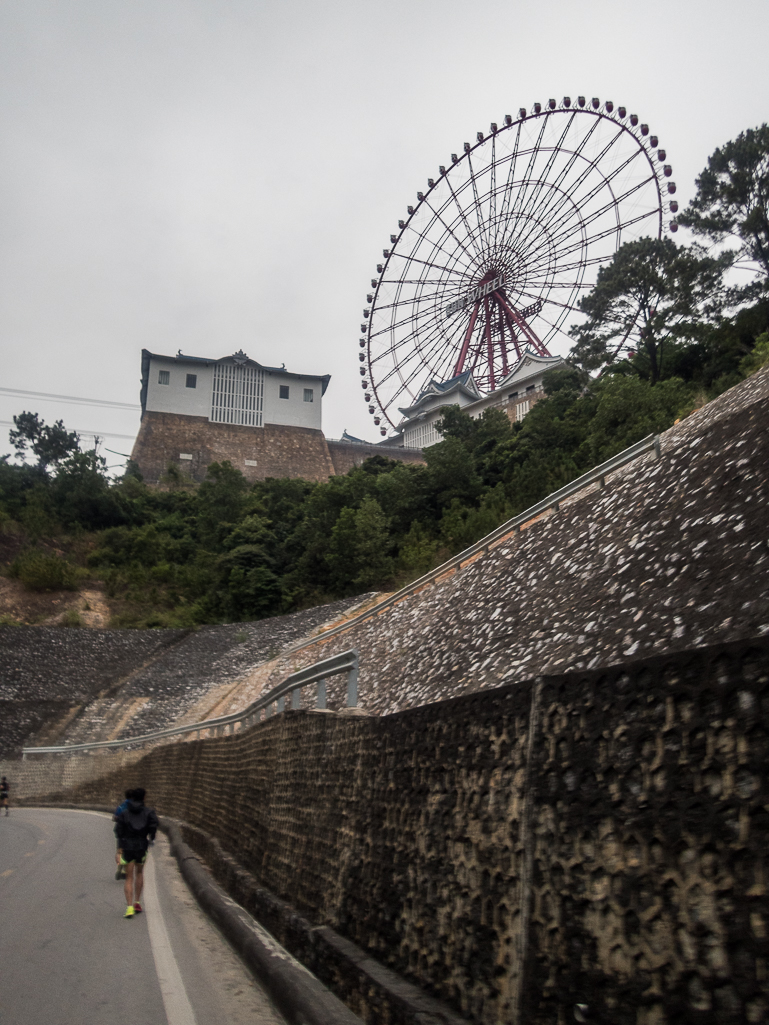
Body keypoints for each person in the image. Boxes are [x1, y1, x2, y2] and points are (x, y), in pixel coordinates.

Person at [114, 787, 158, 918]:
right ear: (144, 797)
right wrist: (151, 838)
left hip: (127, 847)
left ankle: (129, 907)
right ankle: (137, 902)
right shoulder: (149, 812)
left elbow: (118, 831)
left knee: (129, 877)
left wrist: (119, 849)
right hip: (141, 847)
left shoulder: (125, 813)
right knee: (139, 873)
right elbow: (153, 827)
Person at [112, 789, 134, 880]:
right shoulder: (135, 807)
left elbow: (114, 818)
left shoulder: (121, 806)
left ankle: (119, 869)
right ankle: (125, 871)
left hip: (121, 832)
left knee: (120, 850)